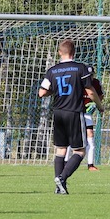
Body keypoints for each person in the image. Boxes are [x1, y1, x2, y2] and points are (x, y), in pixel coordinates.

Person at [37, 39, 98, 194]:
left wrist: (55, 91)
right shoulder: (80, 68)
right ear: (74, 52)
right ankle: (62, 178)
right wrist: (99, 105)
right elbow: (90, 91)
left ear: (59, 53)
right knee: (80, 151)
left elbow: (41, 92)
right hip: (74, 112)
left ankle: (59, 187)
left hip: (58, 113)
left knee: (61, 150)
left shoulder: (52, 70)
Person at [83, 84, 101, 170]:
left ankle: (90, 164)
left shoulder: (95, 82)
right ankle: (65, 162)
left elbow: (100, 96)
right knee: (70, 137)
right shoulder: (76, 81)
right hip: (74, 112)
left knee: (90, 134)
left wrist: (96, 104)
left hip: (86, 114)